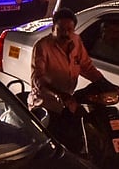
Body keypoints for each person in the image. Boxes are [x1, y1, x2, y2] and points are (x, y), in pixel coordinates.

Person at [29, 8, 108, 152]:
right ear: (53, 28)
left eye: (69, 29)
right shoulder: (42, 47)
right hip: (47, 106)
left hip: (68, 103)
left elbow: (87, 66)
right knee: (53, 149)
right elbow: (38, 80)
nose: (66, 34)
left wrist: (106, 84)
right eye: (61, 29)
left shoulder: (76, 41)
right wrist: (59, 94)